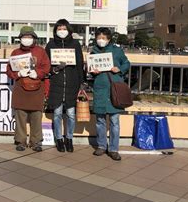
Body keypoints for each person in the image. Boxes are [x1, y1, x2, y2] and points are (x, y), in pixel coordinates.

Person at [7, 26, 51, 152]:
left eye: (29, 37)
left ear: (34, 38)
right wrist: (18, 74)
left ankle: (36, 141)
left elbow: (46, 67)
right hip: (21, 88)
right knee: (20, 115)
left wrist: (37, 73)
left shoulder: (40, 51)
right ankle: (20, 141)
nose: (27, 39)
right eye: (24, 37)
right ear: (20, 38)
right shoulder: (15, 53)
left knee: (36, 116)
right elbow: (8, 70)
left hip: (37, 88)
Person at [89, 27, 130, 161]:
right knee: (100, 120)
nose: (101, 40)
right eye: (99, 38)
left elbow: (126, 63)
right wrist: (92, 71)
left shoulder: (117, 50)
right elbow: (89, 70)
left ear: (109, 39)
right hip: (100, 88)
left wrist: (119, 69)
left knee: (114, 121)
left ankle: (113, 149)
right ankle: (101, 146)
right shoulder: (93, 51)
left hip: (114, 88)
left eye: (104, 38)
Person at [45, 19, 84, 153]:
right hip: (56, 83)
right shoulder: (50, 45)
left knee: (71, 114)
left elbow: (80, 64)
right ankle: (59, 139)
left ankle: (69, 138)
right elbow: (46, 65)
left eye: (64, 28)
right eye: (59, 29)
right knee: (57, 114)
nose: (62, 31)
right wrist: (54, 69)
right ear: (55, 31)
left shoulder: (75, 44)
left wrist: (81, 82)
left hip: (72, 83)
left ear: (69, 30)